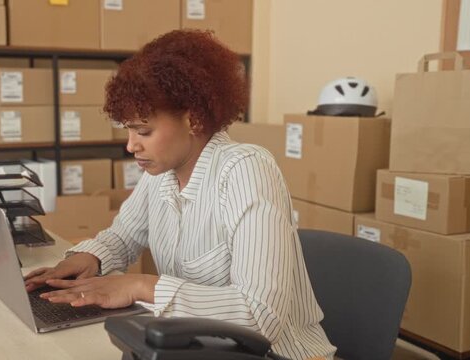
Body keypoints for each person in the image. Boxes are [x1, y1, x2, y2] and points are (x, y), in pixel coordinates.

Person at [24, 29, 336, 359]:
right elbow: (124, 234)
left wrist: (140, 286)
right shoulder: (161, 170)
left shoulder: (246, 170)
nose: (131, 145)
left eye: (144, 131)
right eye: (128, 130)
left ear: (194, 119)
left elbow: (260, 317)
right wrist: (89, 258)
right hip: (200, 346)